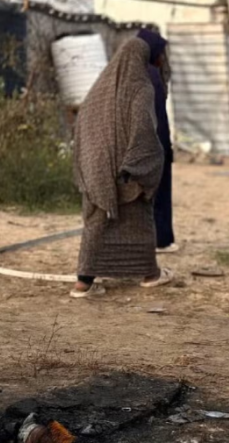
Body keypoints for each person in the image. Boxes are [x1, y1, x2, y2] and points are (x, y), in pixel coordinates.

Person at [70, 36, 174, 298]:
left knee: (96, 224)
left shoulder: (98, 90)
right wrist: (139, 164)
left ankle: (83, 283)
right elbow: (143, 131)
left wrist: (92, 164)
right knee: (139, 220)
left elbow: (81, 126)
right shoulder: (141, 88)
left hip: (96, 169)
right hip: (126, 172)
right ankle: (150, 275)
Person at [136, 29, 178, 254]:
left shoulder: (135, 72)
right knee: (159, 193)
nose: (163, 57)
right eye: (160, 52)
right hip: (155, 145)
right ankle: (160, 239)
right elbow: (159, 117)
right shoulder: (151, 75)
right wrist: (165, 149)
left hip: (141, 145)